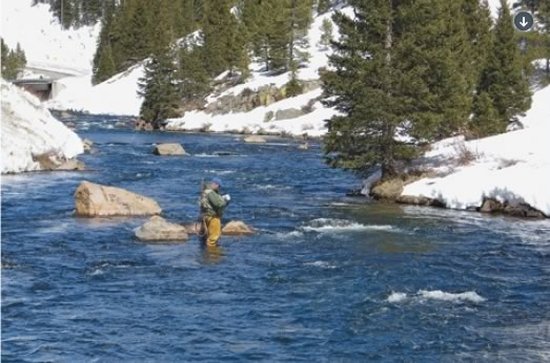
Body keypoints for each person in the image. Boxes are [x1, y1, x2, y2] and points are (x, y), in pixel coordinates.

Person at [199, 177, 230, 247]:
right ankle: (213, 255)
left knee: (210, 236)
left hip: (207, 216)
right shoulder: (211, 192)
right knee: (213, 238)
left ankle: (207, 254)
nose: (219, 188)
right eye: (219, 186)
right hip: (213, 217)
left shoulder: (206, 191)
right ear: (216, 184)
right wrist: (226, 201)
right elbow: (218, 204)